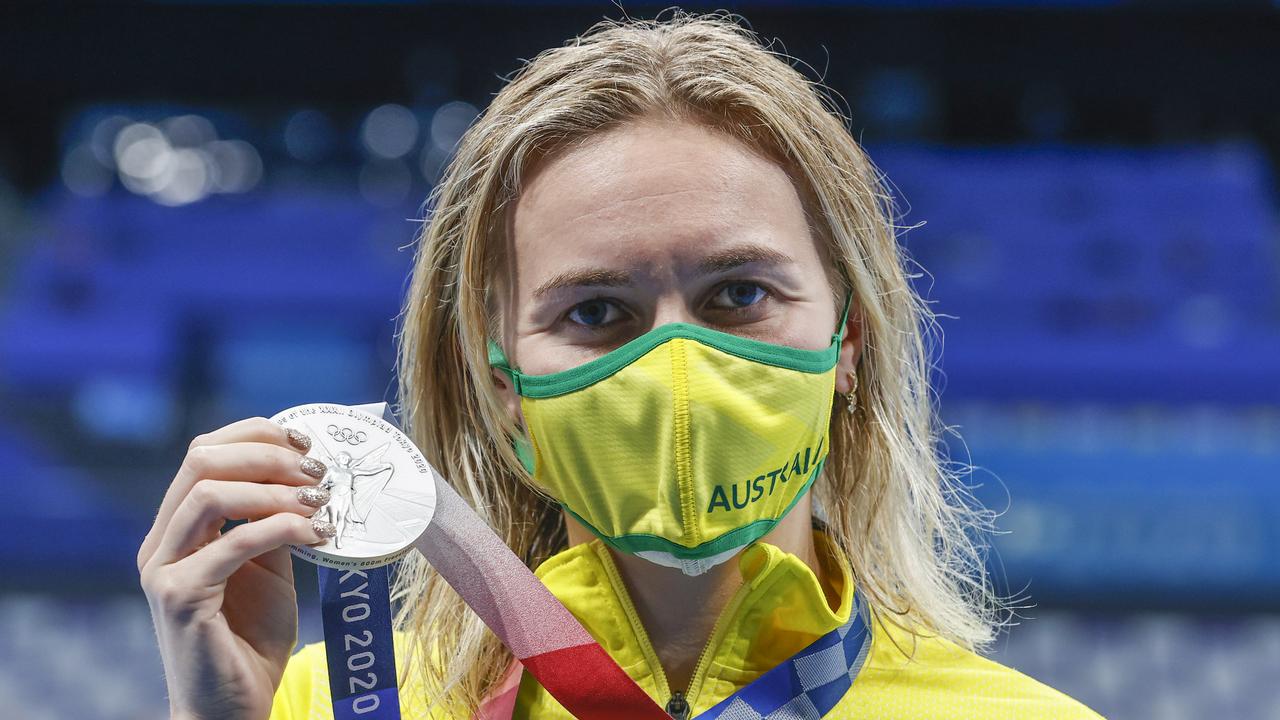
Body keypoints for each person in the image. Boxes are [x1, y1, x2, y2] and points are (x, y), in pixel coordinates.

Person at [139, 11, 1105, 720]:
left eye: (739, 294)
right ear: (504, 383)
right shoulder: (339, 701)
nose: (675, 361)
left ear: (847, 338)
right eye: (598, 311)